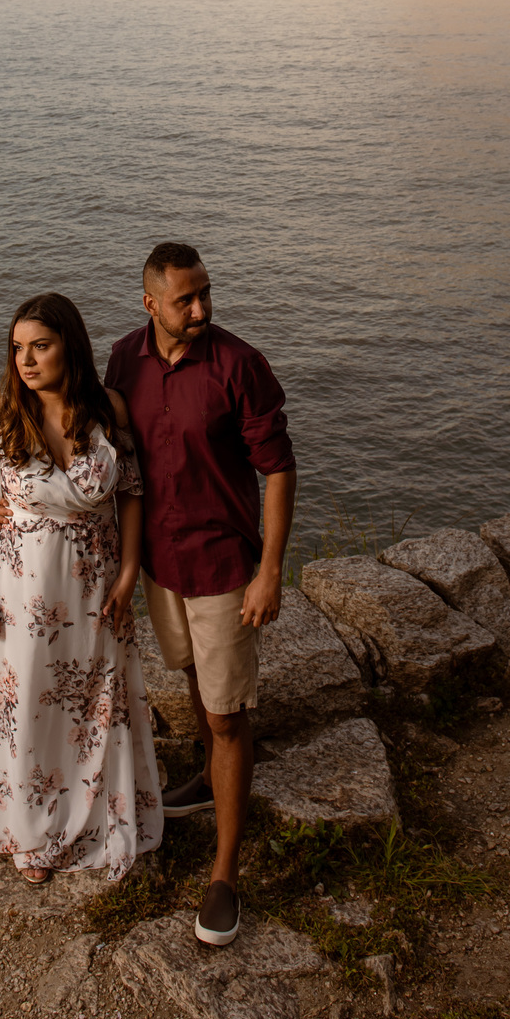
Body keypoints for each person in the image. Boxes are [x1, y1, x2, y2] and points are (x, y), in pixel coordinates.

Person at [105, 243, 296, 946]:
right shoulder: (124, 358)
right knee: (190, 679)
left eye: (206, 294)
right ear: (148, 302)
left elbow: (278, 469)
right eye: (186, 300)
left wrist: (270, 570)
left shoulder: (240, 366)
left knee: (226, 716)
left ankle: (224, 875)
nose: (202, 310)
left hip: (222, 567)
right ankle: (211, 777)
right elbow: (113, 451)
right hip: (159, 563)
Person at [0, 292, 163, 883]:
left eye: (40, 346)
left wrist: (128, 575)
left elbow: (132, 495)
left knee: (94, 702)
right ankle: (28, 827)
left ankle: (97, 816)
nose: (26, 359)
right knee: (25, 705)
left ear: (69, 345)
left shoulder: (108, 410)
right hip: (22, 589)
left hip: (95, 587)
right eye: (17, 348)